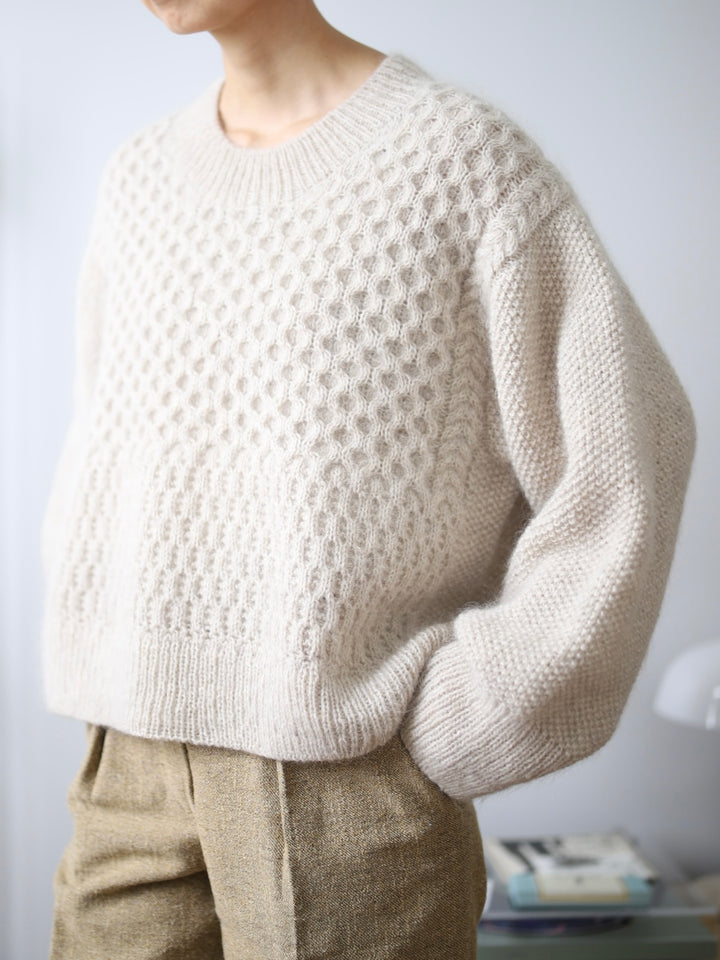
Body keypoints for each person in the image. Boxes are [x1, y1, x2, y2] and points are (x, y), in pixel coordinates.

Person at [42, 1, 697, 958]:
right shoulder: (137, 175)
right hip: (125, 755)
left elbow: (634, 448)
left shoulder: (463, 164)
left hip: (343, 782)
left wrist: (479, 715)